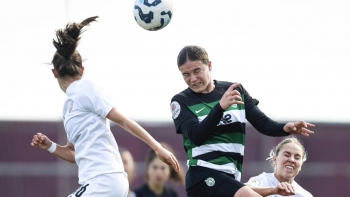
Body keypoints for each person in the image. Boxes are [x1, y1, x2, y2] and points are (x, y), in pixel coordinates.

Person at [30, 16, 179, 197]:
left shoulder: (86, 88)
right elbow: (74, 153)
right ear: (82, 69)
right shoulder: (68, 106)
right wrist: (50, 146)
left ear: (54, 73)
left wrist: (157, 148)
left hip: (105, 180)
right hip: (98, 182)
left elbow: (123, 121)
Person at [170, 45, 315, 197]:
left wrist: (285, 128)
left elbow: (262, 123)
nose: (192, 79)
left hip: (231, 177)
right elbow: (196, 136)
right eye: (186, 74)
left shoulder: (234, 91)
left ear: (210, 65)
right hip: (204, 174)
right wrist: (220, 107)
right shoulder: (180, 101)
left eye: (197, 71)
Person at [245, 136, 313, 197]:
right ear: (275, 159)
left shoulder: (304, 195)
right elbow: (242, 190)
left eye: (297, 157)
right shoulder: (263, 180)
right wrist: (274, 190)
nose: (292, 160)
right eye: (287, 155)